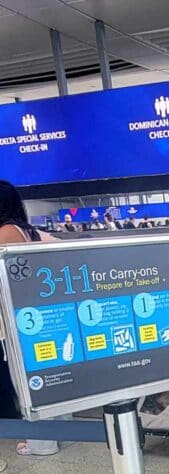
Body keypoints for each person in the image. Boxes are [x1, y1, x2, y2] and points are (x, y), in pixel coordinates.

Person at [0, 180, 59, 456]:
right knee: (47, 378)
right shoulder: (29, 232)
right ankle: (53, 435)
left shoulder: (6, 233)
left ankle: (41, 443)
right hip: (37, 315)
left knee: (29, 382)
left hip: (19, 320)